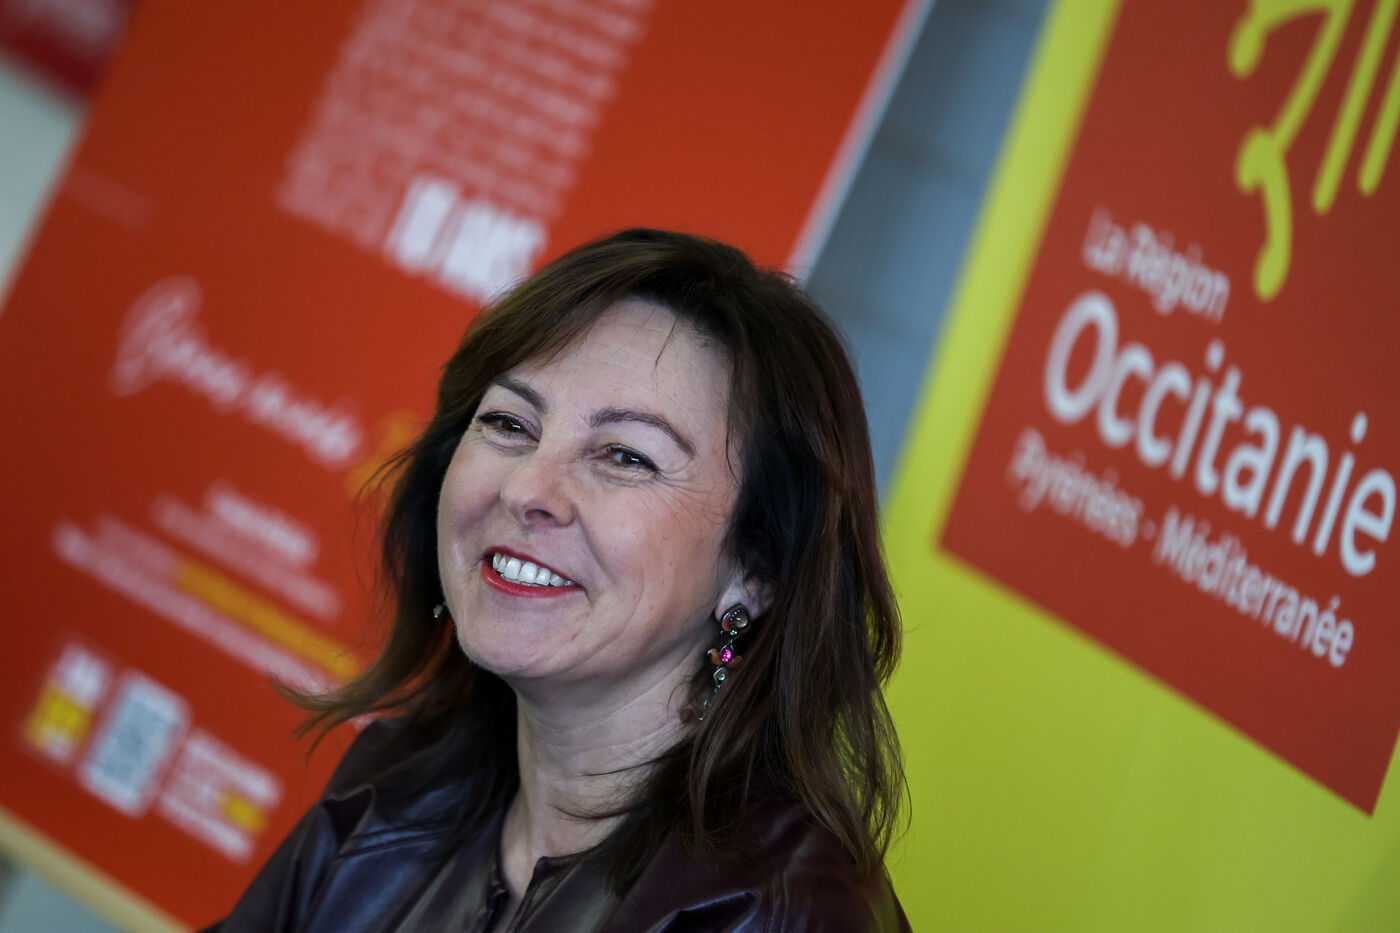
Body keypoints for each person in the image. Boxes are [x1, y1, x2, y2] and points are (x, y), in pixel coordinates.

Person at [204, 228, 909, 932]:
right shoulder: (393, 785)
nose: (526, 489)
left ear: (756, 572)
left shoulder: (777, 915)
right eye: (509, 422)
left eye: (626, 456)